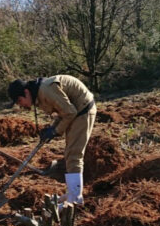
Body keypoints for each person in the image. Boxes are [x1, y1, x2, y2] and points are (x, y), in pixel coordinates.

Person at [7, 75, 96, 206]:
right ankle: (72, 192)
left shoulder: (46, 90)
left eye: (20, 101)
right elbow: (63, 111)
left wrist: (55, 131)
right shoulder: (39, 93)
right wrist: (52, 128)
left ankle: (76, 199)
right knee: (70, 154)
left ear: (26, 92)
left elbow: (70, 112)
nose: (21, 105)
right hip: (77, 111)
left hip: (83, 111)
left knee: (74, 154)